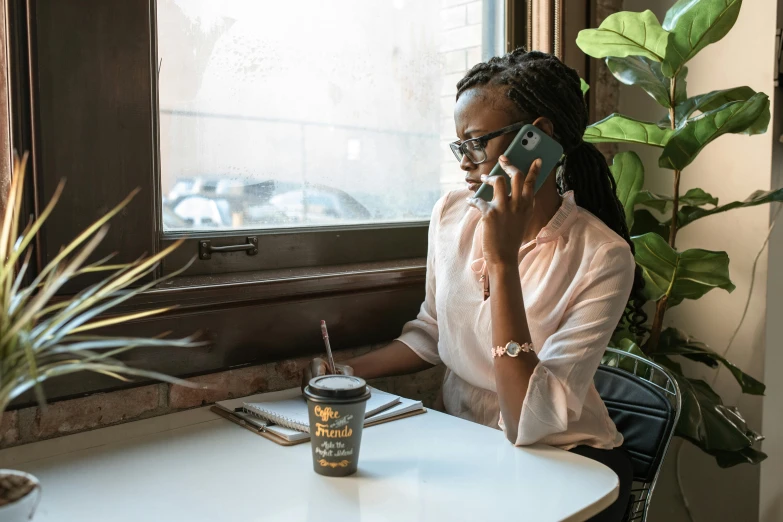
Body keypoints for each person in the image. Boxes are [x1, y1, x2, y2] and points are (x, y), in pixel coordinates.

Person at [303, 48, 645, 521]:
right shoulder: (450, 214)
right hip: (464, 447)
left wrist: (502, 260)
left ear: (538, 138)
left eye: (476, 143)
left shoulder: (602, 257)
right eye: (458, 146)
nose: (465, 163)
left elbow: (530, 421)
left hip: (565, 464)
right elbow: (433, 331)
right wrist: (346, 369)